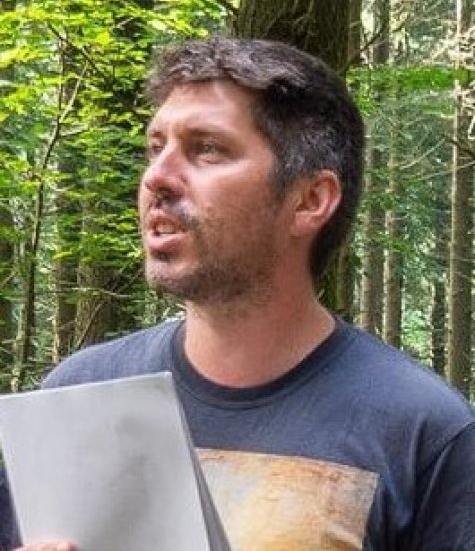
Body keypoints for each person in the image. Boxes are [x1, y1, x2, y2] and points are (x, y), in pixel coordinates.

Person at [2, 37, 475, 551]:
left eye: (207, 149)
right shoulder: (77, 398)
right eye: (156, 148)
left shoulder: (423, 433)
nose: (157, 177)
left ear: (309, 200)